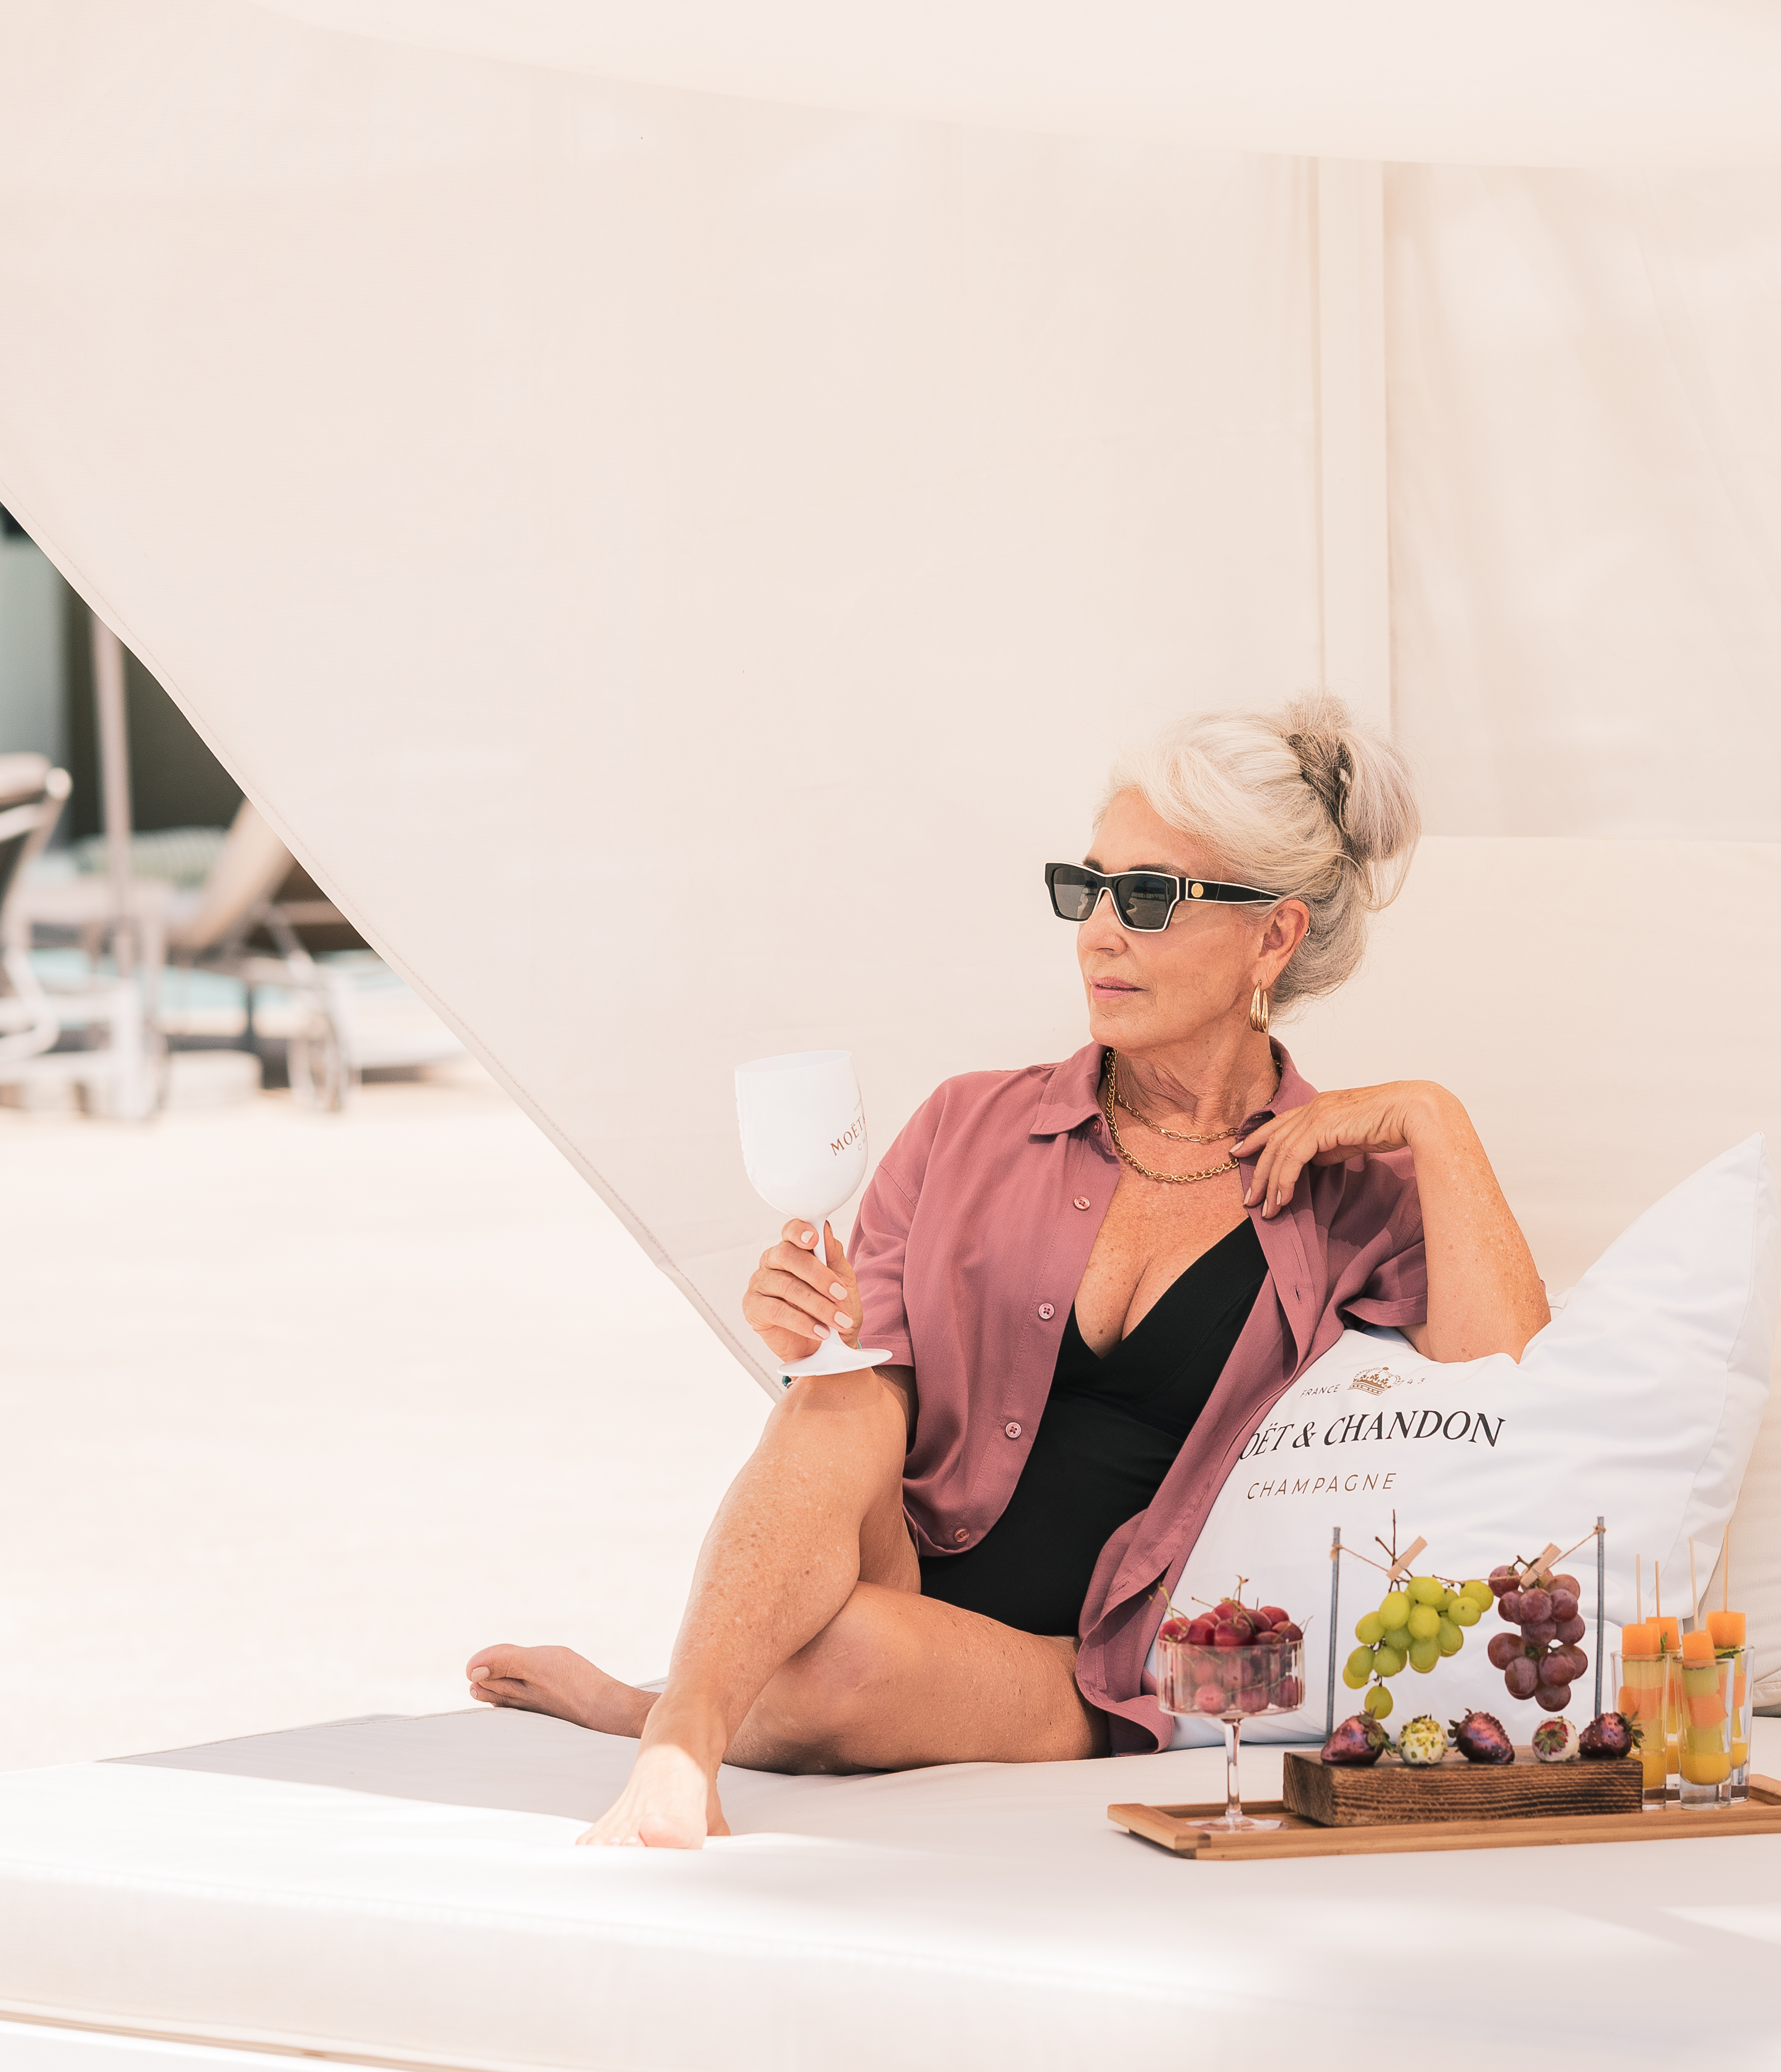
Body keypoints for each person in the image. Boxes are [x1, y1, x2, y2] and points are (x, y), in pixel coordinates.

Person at [467, 697, 1550, 1847]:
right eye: (1087, 889)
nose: (1096, 934)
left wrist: (1435, 1122)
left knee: (835, 1663)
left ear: (1271, 937)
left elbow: (1515, 1399)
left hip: (1085, 1666)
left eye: (1148, 899)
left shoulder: (1350, 1192)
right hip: (903, 1561)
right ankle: (678, 1740)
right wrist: (812, 1337)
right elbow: (854, 1419)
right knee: (841, 1396)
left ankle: (640, 1698)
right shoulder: (966, 1124)